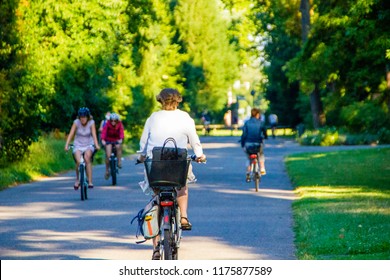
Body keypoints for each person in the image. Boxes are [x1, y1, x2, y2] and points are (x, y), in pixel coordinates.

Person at [137, 88, 206, 259]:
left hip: (157, 164)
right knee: (182, 185)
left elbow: (144, 140)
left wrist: (142, 155)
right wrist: (199, 155)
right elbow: (193, 138)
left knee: (156, 199)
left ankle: (155, 248)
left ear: (160, 100)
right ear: (178, 100)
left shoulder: (153, 118)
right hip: (178, 162)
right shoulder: (185, 117)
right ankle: (183, 217)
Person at [65, 107, 100, 189]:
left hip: (88, 144)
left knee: (87, 158)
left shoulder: (91, 123)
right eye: (81, 117)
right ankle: (77, 179)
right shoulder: (76, 122)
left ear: (87, 117)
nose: (82, 119)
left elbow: (94, 135)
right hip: (78, 145)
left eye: (84, 117)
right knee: (78, 161)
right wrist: (66, 145)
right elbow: (71, 134)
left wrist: (97, 145)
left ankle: (90, 181)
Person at [240, 108, 268, 182]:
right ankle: (262, 167)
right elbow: (264, 132)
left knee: (249, 158)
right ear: (258, 114)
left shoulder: (247, 123)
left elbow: (244, 135)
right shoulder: (261, 123)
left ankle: (248, 172)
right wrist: (265, 137)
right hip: (258, 143)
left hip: (248, 144)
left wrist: (242, 144)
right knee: (261, 154)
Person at [101, 112, 125, 179]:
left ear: (117, 120)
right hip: (109, 140)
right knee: (108, 155)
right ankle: (107, 171)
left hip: (116, 140)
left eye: (115, 120)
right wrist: (103, 140)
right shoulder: (107, 124)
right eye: (112, 120)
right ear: (110, 120)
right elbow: (104, 132)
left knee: (118, 147)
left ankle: (119, 162)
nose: (113, 122)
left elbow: (121, 132)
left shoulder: (120, 124)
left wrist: (121, 139)